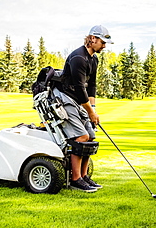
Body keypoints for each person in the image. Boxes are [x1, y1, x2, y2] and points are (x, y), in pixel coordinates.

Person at [54, 25, 113, 192]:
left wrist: (93, 109)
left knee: (91, 137)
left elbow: (91, 86)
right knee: (81, 136)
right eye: (103, 42)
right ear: (93, 38)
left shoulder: (94, 59)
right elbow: (80, 89)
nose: (104, 46)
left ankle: (84, 176)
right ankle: (75, 179)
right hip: (66, 99)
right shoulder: (78, 58)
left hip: (81, 101)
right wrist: (91, 113)